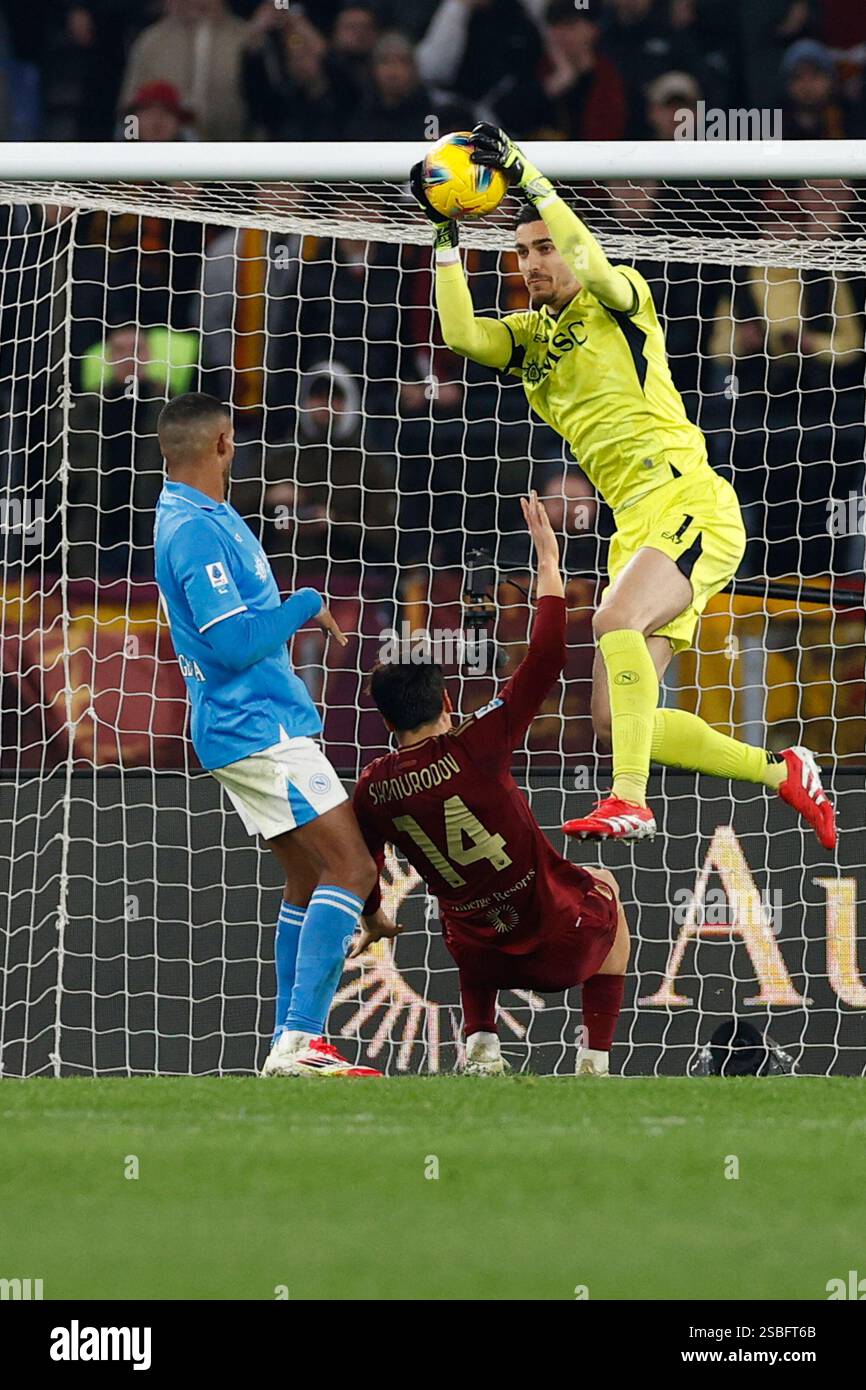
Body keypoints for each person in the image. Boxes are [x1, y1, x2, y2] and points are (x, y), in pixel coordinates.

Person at [409, 123, 837, 850]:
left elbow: (589, 258)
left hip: (688, 499)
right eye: (522, 252)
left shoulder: (620, 299)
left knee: (611, 624)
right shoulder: (528, 337)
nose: (535, 263)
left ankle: (629, 801)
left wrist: (531, 177)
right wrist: (445, 235)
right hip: (633, 526)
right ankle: (781, 768)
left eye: (544, 247)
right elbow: (460, 337)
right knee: (614, 719)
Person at [352, 493, 629, 1078]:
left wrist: (375, 915)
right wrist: (550, 567)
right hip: (560, 946)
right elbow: (548, 657)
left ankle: (482, 1046)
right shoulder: (475, 745)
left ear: (387, 722)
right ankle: (595, 1061)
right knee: (603, 884)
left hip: (483, 959)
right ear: (447, 703)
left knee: (459, 913)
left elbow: (362, 865)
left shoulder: (372, 787)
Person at [153, 392, 380, 1077]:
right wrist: (307, 605)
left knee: (310, 877)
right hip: (256, 727)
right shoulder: (192, 529)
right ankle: (302, 1037)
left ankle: (291, 1043)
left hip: (253, 724)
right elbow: (232, 645)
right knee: (355, 866)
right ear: (223, 443)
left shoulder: (206, 515)